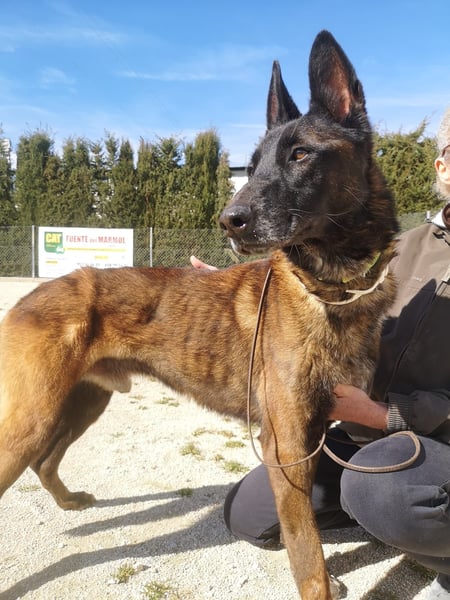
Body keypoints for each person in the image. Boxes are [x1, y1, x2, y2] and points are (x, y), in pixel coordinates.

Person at [191, 108, 450, 599]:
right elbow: (323, 301)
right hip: (363, 434)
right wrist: (229, 290)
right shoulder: (399, 248)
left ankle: (421, 534)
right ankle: (397, 518)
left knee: (378, 490)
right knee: (248, 515)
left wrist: (384, 414)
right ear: (444, 166)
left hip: (427, 438)